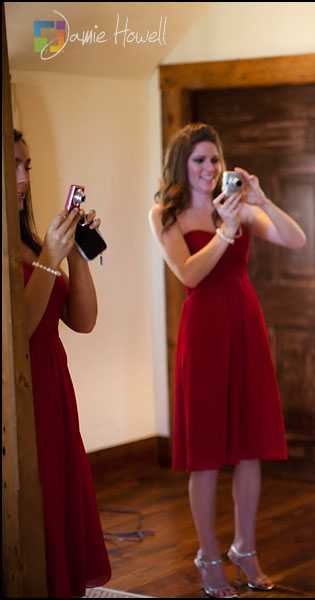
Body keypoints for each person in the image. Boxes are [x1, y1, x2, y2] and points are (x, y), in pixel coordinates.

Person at [149, 123, 306, 598]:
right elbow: (190, 274)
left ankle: (246, 548)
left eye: (215, 160)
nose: (209, 169)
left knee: (249, 445)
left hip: (245, 318)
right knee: (207, 453)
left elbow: (295, 239)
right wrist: (224, 233)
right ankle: (209, 555)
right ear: (182, 164)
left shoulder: (239, 205)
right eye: (199, 160)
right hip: (205, 328)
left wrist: (260, 199)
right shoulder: (165, 214)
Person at [15, 128, 112, 597]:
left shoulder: (33, 243)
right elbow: (16, 334)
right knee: (35, 498)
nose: (23, 178)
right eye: (13, 165)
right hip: (18, 389)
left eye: (27, 166)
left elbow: (84, 320)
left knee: (59, 494)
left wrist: (73, 255)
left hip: (53, 384)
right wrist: (50, 258)